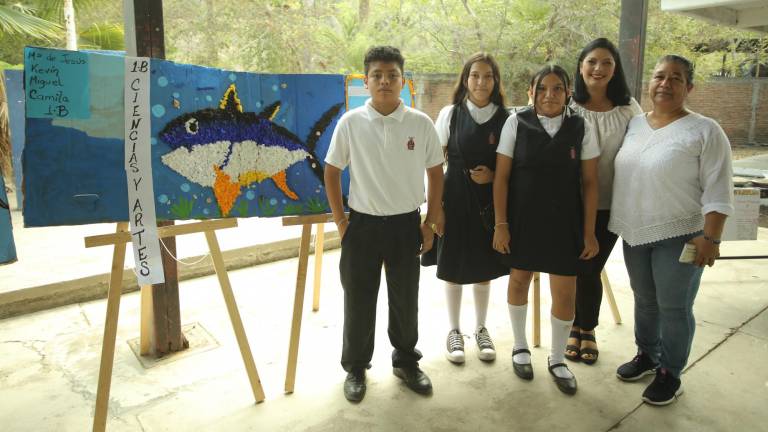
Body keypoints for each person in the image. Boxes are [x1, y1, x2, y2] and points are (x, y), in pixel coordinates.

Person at [610, 55, 733, 406]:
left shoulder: (705, 130)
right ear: (649, 84)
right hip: (635, 234)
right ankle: (647, 356)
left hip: (682, 235)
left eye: (675, 78)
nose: (665, 83)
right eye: (659, 76)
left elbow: (719, 190)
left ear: (689, 87)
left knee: (674, 307)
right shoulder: (634, 124)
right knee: (645, 301)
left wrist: (711, 238)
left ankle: (671, 372)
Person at [324, 46, 445, 403]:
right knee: (359, 299)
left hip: (407, 225)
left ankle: (406, 361)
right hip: (361, 226)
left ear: (402, 80)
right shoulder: (351, 123)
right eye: (377, 75)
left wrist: (430, 222)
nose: (385, 81)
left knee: (405, 298)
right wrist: (342, 223)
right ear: (366, 81)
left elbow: (436, 174)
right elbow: (332, 172)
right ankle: (356, 368)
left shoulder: (419, 123)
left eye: (392, 75)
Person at [493, 64, 600, 395]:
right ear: (531, 91)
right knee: (519, 280)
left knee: (565, 291)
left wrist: (589, 231)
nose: (549, 95)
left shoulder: (581, 126)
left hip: (565, 222)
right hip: (523, 220)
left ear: (569, 92)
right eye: (542, 89)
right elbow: (502, 178)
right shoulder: (516, 122)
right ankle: (520, 346)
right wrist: (501, 224)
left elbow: (591, 182)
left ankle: (557, 358)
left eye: (557, 88)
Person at [422, 52, 510, 364]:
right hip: (455, 197)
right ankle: (454, 331)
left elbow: (515, 166)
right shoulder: (450, 114)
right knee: (454, 266)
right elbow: (432, 163)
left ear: (495, 81)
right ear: (466, 79)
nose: (481, 82)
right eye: (475, 75)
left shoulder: (507, 118)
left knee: (484, 267)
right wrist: (436, 210)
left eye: (488, 76)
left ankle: (481, 329)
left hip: (490, 203)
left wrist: (494, 177)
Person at [565, 38, 643, 365]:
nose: (599, 69)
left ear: (615, 69)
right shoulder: (567, 107)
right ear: (581, 67)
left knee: (590, 265)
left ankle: (585, 328)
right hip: (568, 204)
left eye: (606, 63)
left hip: (611, 204)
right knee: (576, 267)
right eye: (592, 62)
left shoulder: (629, 108)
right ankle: (578, 327)